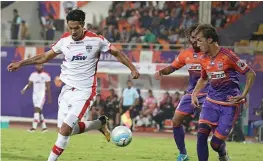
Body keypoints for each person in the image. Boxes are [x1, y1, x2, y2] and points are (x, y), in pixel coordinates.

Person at [7, 9, 139, 161]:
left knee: (64, 130)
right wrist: (20, 63)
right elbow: (44, 56)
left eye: (76, 28)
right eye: (70, 28)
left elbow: (117, 53)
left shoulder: (97, 40)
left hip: (84, 92)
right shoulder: (65, 40)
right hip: (67, 90)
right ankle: (98, 124)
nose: (73, 31)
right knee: (64, 130)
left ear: (83, 25)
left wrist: (132, 68)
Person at [192, 24, 256, 161]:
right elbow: (204, 78)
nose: (197, 44)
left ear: (209, 40)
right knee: (201, 134)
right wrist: (194, 93)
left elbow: (251, 73)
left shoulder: (228, 56)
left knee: (215, 144)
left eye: (199, 40)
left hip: (229, 105)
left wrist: (243, 95)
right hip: (210, 102)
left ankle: (222, 153)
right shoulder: (203, 58)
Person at [154, 23, 209, 161]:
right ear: (189, 38)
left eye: (198, 37)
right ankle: (183, 154)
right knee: (176, 121)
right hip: (191, 93)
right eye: (193, 37)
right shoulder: (186, 54)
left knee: (207, 127)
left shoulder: (210, 52)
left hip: (210, 93)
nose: (195, 40)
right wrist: (161, 71)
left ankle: (221, 152)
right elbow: (172, 67)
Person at [21, 64, 51, 133]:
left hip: (42, 95)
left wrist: (49, 98)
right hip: (35, 95)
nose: (38, 67)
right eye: (37, 66)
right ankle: (44, 128)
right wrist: (24, 89)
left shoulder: (46, 75)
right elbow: (29, 84)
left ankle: (33, 128)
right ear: (35, 67)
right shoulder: (33, 75)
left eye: (40, 65)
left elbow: (48, 87)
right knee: (39, 111)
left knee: (36, 109)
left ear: (42, 66)